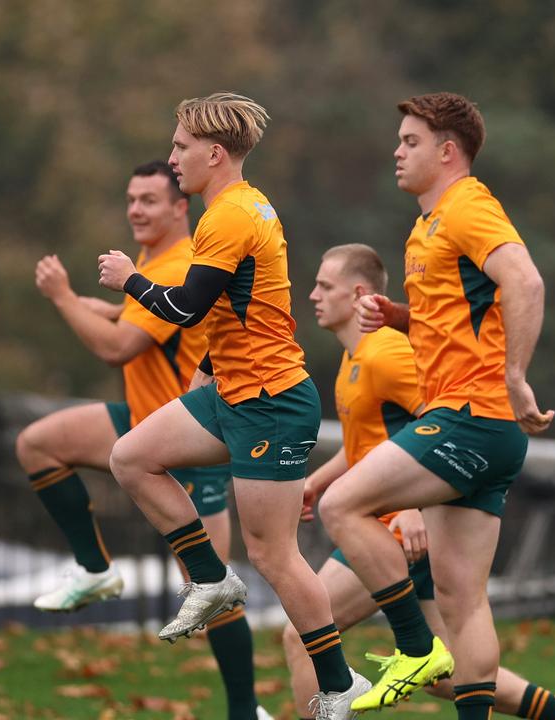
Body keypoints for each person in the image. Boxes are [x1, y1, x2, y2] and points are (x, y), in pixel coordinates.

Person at [319, 93, 555, 720]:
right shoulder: (425, 226)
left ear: (447, 151)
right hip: (483, 428)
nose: (396, 152)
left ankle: (412, 647)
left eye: (410, 142)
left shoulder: (467, 204)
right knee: (462, 600)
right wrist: (399, 316)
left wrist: (515, 374)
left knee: (340, 502)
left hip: (470, 419)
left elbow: (525, 280)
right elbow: (456, 317)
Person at [98, 92, 369, 719]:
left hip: (271, 403)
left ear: (214, 153)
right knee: (132, 456)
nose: (171, 161)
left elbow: (188, 307)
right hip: (231, 391)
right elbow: (247, 304)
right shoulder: (235, 208)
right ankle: (211, 577)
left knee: (274, 554)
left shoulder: (231, 215)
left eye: (180, 148)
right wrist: (209, 365)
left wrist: (129, 279)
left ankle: (337, 684)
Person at [286, 243, 555, 720]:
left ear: (358, 293)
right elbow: (371, 446)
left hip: (396, 530)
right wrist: (317, 479)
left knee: (304, 630)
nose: (312, 294)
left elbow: (435, 432)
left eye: (324, 286)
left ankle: (413, 651)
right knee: (446, 675)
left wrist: (416, 509)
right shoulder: (354, 360)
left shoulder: (388, 354)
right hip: (383, 521)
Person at [16, 160, 267, 720]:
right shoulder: (155, 262)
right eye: (131, 199)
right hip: (139, 418)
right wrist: (87, 304)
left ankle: (246, 710)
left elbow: (117, 347)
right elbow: (125, 316)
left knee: (211, 590)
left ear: (181, 207)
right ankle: (95, 569)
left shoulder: (180, 262)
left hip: (183, 438)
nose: (135, 209)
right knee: (37, 444)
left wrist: (62, 297)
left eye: (149, 200)